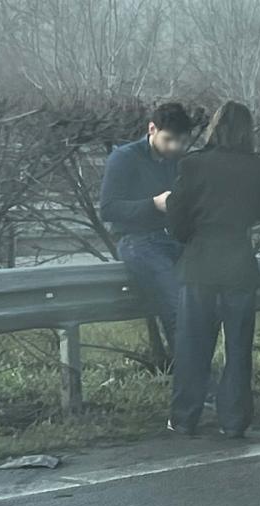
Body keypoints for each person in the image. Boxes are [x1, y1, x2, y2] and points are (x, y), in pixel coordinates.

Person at [166, 101, 260, 437]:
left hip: (200, 264)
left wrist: (189, 237)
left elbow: (177, 217)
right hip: (239, 265)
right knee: (238, 349)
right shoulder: (259, 167)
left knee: (193, 347)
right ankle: (234, 421)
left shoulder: (194, 165)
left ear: (215, 127)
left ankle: (185, 418)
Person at [100, 103, 194, 353]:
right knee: (179, 309)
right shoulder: (125, 158)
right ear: (152, 129)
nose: (175, 147)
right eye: (169, 139)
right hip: (138, 241)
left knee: (196, 309)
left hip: (176, 240)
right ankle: (196, 385)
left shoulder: (179, 161)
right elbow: (108, 209)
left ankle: (193, 380)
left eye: (182, 141)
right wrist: (154, 204)